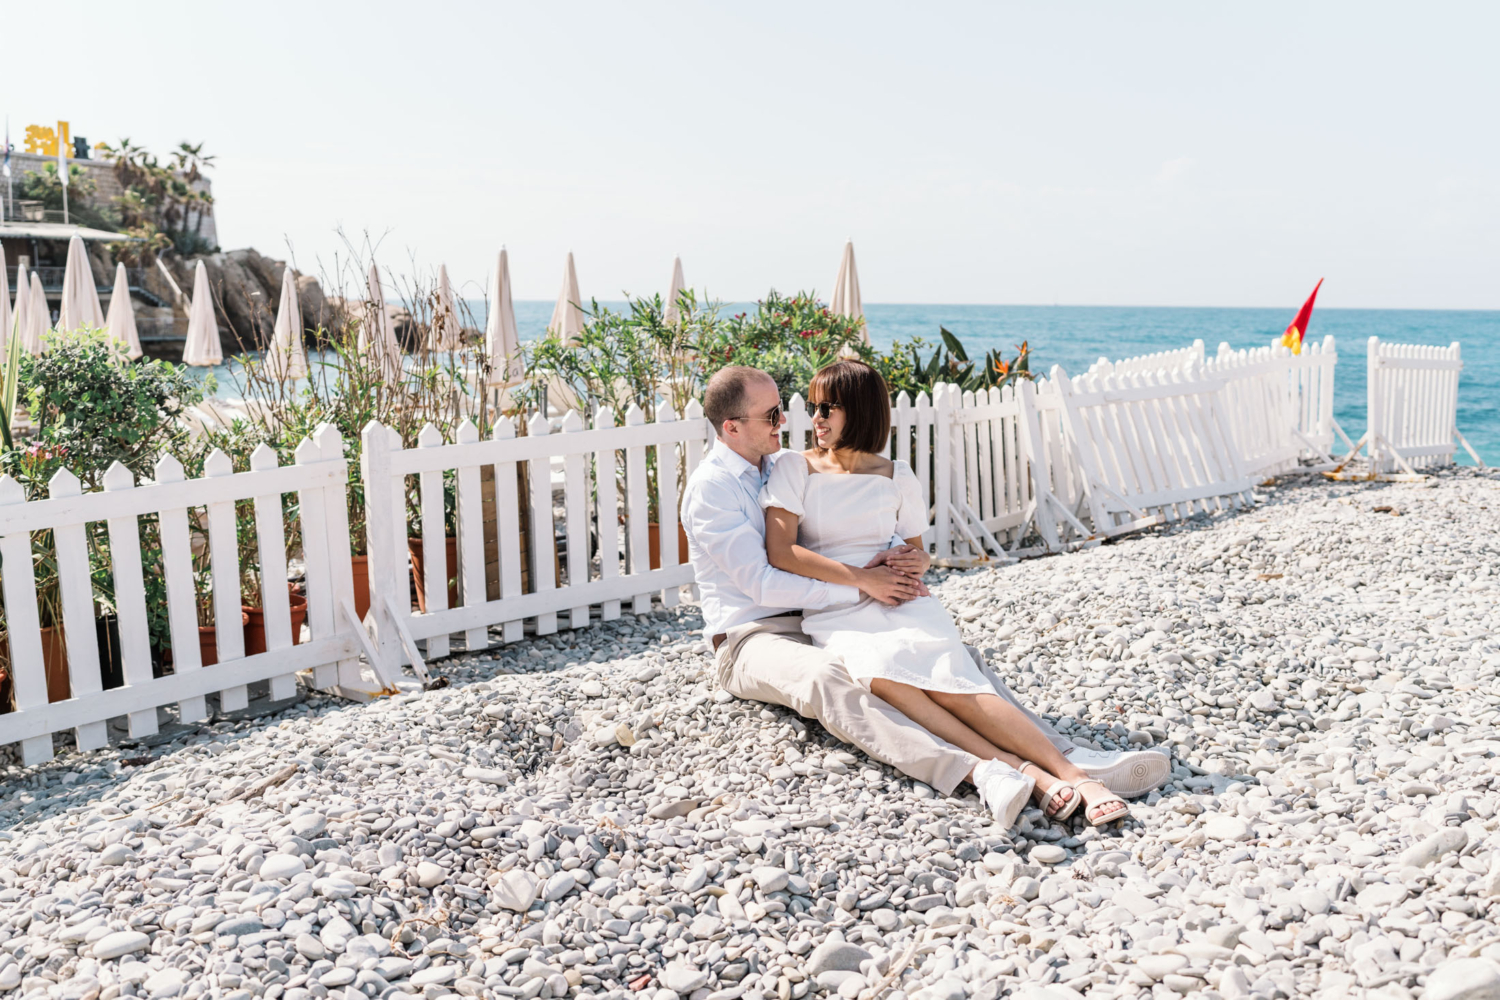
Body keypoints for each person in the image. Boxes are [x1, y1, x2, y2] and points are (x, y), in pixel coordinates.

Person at [681, 364, 1168, 827]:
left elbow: (853, 518)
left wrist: (902, 562)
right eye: (772, 415)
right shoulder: (713, 490)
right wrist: (865, 586)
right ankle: (983, 770)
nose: (789, 420)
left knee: (948, 659)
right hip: (752, 634)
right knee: (833, 676)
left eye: (790, 409)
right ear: (731, 427)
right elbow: (763, 581)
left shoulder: (777, 463)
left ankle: (1065, 755)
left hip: (817, 610)